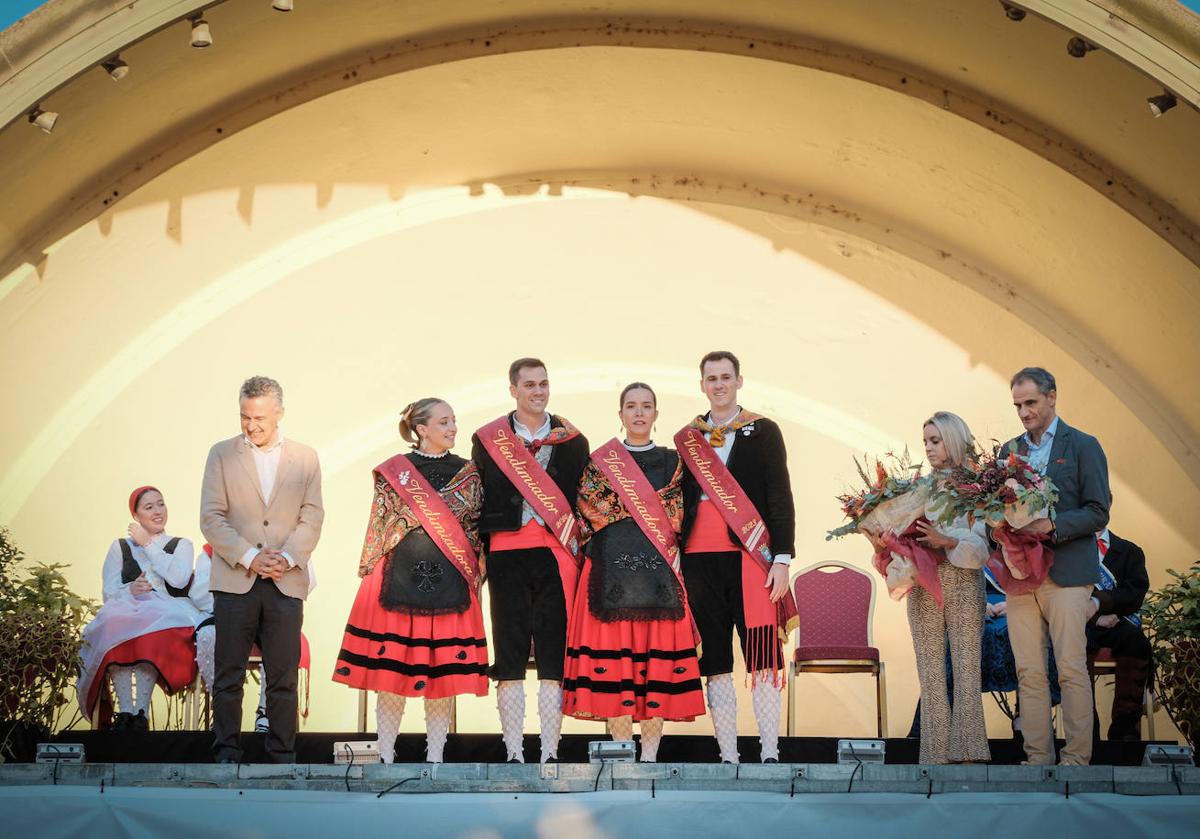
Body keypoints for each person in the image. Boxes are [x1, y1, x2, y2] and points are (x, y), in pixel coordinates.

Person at [333, 398, 489, 763]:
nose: (453, 428)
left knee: (441, 677)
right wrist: (370, 568)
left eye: (454, 421)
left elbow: (475, 530)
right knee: (392, 674)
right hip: (398, 577)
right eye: (444, 422)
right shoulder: (396, 471)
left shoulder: (469, 470)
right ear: (421, 429)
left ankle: (435, 756)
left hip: (450, 579)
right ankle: (385, 754)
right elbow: (381, 524)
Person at [563, 383, 706, 761]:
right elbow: (587, 509)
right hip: (610, 573)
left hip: (659, 578)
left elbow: (679, 515)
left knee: (652, 672)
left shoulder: (674, 462)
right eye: (631, 406)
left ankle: (651, 757)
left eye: (646, 406)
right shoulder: (599, 461)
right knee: (618, 672)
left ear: (656, 414)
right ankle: (622, 753)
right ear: (621, 414)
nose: (639, 413)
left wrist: (632, 510)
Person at [676, 351, 797, 764]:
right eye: (711, 378)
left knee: (762, 654)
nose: (719, 385)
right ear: (702, 385)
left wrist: (781, 557)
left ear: (739, 381)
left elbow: (780, 496)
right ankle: (727, 752)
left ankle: (769, 751)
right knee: (715, 657)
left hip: (751, 557)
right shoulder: (687, 438)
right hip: (697, 558)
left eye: (726, 377)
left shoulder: (764, 432)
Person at [200, 375, 324, 764]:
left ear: (279, 413)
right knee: (228, 675)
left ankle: (283, 756)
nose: (251, 425)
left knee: (283, 677)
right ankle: (226, 754)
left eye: (260, 418)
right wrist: (251, 557)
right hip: (235, 581)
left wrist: (286, 558)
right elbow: (211, 517)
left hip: (286, 583)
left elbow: (313, 516)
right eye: (244, 417)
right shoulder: (221, 454)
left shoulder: (305, 456)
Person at [471, 358, 590, 763]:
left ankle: (551, 751)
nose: (537, 391)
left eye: (543, 384)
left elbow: (582, 502)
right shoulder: (488, 438)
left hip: (557, 555)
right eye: (529, 385)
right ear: (513, 390)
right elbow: (479, 497)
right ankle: (514, 751)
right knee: (510, 649)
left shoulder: (573, 440)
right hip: (506, 552)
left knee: (555, 651)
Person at [864, 412, 990, 764]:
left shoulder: (978, 487)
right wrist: (882, 544)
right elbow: (897, 544)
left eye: (935, 441)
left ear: (953, 440)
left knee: (967, 668)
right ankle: (934, 754)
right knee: (930, 670)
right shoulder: (915, 490)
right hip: (921, 583)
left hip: (963, 581)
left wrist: (945, 540)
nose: (930, 449)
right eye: (926, 443)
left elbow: (983, 545)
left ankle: (969, 752)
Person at [1002, 366, 1109, 765]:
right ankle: (1037, 761)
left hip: (1067, 572)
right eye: (1017, 405)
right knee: (1029, 673)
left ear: (1052, 396)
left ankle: (1077, 762)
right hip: (1020, 577)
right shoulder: (1008, 450)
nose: (1024, 412)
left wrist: (1053, 525)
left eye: (1030, 402)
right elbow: (998, 507)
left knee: (1070, 669)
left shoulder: (1083, 445)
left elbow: (1099, 511)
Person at [78, 486, 202, 730]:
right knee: (113, 623)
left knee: (151, 626)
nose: (158, 511)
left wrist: (147, 544)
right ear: (135, 516)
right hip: (128, 610)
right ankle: (126, 711)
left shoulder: (181, 545)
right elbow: (109, 592)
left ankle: (141, 710)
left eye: (161, 504)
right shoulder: (120, 547)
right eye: (149, 507)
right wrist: (130, 589)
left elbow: (178, 579)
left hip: (169, 612)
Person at [1088, 526, 1152, 741]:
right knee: (1073, 646)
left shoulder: (1129, 550)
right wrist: (1095, 617)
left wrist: (1107, 606)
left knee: (1137, 643)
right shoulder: (1068, 550)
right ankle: (1086, 729)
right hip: (1081, 622)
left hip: (1117, 619)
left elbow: (1135, 592)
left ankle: (1125, 727)